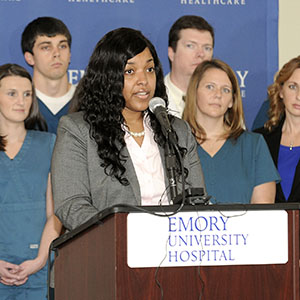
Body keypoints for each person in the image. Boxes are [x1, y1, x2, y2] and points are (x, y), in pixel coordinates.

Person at [52, 27, 206, 231]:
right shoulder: (77, 130)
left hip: (175, 249)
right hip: (111, 251)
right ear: (109, 77)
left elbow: (198, 200)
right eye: (130, 71)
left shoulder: (176, 130)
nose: (143, 81)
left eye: (149, 69)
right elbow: (71, 206)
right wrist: (124, 236)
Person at [0, 64, 61, 299]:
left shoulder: (48, 144)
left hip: (39, 273)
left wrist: (40, 259)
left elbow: (54, 213)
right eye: (11, 93)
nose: (21, 101)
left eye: (27, 94)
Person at [183, 59, 280, 204]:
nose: (218, 94)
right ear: (194, 91)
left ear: (231, 101)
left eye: (226, 90)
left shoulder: (254, 145)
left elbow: (262, 216)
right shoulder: (175, 144)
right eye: (210, 87)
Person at [255, 56, 300, 202]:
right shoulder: (259, 140)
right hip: (270, 224)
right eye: (292, 86)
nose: (299, 96)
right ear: (281, 91)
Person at [21, 16, 76, 133]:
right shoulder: (19, 103)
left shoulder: (87, 100)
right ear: (30, 58)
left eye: (62, 46)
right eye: (46, 47)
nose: (56, 53)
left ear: (70, 54)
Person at [165, 15, 214, 118]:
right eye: (190, 46)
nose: (200, 54)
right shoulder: (151, 99)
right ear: (171, 53)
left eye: (207, 48)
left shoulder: (220, 101)